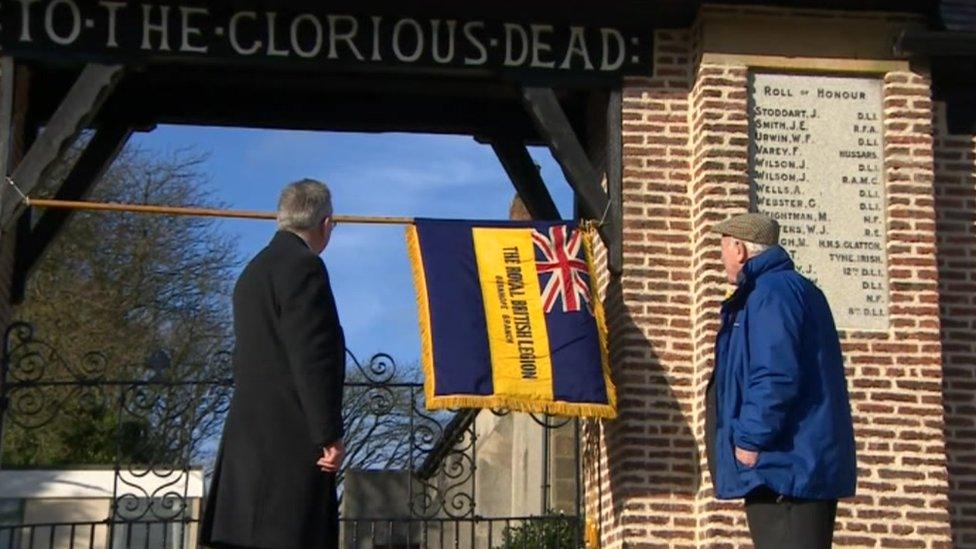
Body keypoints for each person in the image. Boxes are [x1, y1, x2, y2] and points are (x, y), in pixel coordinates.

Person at [201, 179, 346, 549]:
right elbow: (313, 355)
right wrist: (328, 433)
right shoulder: (305, 268)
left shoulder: (252, 272)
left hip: (245, 440)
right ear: (325, 223)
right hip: (289, 442)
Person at [704, 213, 856, 548]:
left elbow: (775, 372)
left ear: (739, 249)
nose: (722, 260)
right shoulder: (790, 289)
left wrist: (750, 439)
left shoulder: (770, 293)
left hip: (783, 468)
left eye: (723, 249)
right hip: (790, 466)